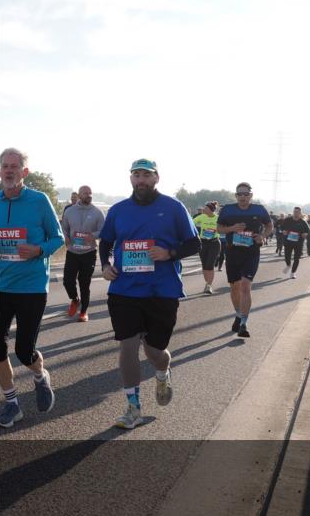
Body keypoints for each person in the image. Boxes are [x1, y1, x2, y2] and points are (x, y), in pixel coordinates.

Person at [99, 159, 200, 429]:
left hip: (162, 289)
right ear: (130, 179)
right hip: (124, 289)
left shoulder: (173, 207)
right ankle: (133, 407)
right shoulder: (119, 210)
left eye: (146, 175)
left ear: (156, 178)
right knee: (128, 344)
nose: (141, 180)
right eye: (136, 175)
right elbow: (106, 241)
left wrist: (170, 253)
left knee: (154, 351)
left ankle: (163, 370)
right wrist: (105, 265)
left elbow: (194, 243)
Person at [0, 147, 61, 428]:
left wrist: (38, 250)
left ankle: (39, 375)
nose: (9, 170)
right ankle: (12, 403)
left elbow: (58, 238)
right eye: (4, 166)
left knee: (24, 351)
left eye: (14, 166)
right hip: (2, 285)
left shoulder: (39, 200)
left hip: (33, 287)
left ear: (25, 171)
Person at [217, 182, 273, 339]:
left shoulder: (259, 209)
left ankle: (243, 324)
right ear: (236, 195)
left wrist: (262, 236)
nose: (242, 197)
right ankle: (238, 314)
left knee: (245, 287)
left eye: (245, 194)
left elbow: (269, 226)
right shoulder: (227, 209)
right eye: (239, 194)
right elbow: (219, 228)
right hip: (232, 252)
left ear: (251, 195)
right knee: (234, 288)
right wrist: (232, 229)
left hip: (251, 253)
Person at [60, 184, 105, 320]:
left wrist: (94, 235)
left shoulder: (98, 212)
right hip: (73, 252)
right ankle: (75, 299)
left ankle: (83, 312)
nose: (88, 195)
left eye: (90, 193)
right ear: (79, 195)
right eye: (85, 193)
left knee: (84, 283)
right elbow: (63, 228)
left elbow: (104, 230)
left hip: (89, 252)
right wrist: (66, 237)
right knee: (68, 281)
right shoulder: (69, 211)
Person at [192, 201, 221, 295]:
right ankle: (207, 283)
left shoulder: (218, 218)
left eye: (206, 208)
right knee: (204, 265)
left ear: (211, 210)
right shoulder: (202, 217)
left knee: (210, 265)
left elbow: (224, 227)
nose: (204, 209)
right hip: (203, 243)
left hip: (214, 243)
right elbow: (191, 223)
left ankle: (209, 285)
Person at [280, 207, 309, 279]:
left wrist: (305, 234)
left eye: (298, 212)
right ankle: (288, 265)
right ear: (293, 212)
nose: (296, 213)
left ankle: (293, 273)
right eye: (295, 211)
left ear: (300, 213)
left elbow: (307, 231)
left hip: (298, 243)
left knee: (297, 258)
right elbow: (281, 228)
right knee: (287, 256)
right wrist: (283, 231)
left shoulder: (303, 222)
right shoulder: (287, 220)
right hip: (288, 241)